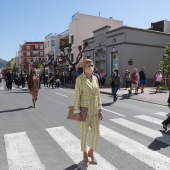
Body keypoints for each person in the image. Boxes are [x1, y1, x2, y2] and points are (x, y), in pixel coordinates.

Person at [74, 59, 103, 167]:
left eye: (92, 65)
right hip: (84, 111)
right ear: (85, 67)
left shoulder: (95, 78)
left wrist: (100, 109)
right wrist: (77, 112)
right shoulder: (80, 79)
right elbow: (77, 97)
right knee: (84, 134)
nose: (92, 67)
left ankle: (91, 151)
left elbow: (98, 95)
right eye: (89, 65)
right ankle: (85, 153)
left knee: (97, 132)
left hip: (95, 110)